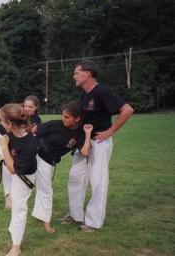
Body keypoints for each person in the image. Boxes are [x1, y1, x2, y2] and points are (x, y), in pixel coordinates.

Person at [61, 60, 134, 232]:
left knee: (98, 181)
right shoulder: (85, 94)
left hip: (99, 143)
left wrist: (109, 132)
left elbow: (127, 110)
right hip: (84, 142)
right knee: (75, 177)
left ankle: (93, 222)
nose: (74, 76)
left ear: (87, 74)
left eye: (76, 73)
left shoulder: (102, 91)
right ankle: (76, 214)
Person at [30, 101, 93, 234]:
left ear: (77, 119)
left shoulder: (79, 134)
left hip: (47, 161)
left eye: (67, 117)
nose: (63, 119)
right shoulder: (55, 124)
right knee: (22, 183)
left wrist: (87, 134)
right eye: (63, 116)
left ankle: (45, 221)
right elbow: (33, 130)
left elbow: (85, 152)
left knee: (46, 190)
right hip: (33, 153)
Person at [0, 96, 41, 209]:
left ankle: (13, 199)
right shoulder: (16, 115)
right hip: (8, 138)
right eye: (25, 106)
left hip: (18, 149)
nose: (27, 108)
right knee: (6, 167)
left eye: (30, 106)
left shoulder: (34, 121)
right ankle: (8, 198)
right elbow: (4, 120)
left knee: (13, 172)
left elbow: (16, 127)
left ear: (36, 108)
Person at [0, 103, 38, 256]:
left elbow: (13, 170)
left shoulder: (29, 145)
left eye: (2, 121)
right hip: (17, 170)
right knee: (15, 204)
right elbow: (1, 115)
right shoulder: (14, 131)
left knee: (19, 207)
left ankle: (16, 246)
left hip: (24, 177)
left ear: (10, 123)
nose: (1, 123)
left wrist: (3, 147)